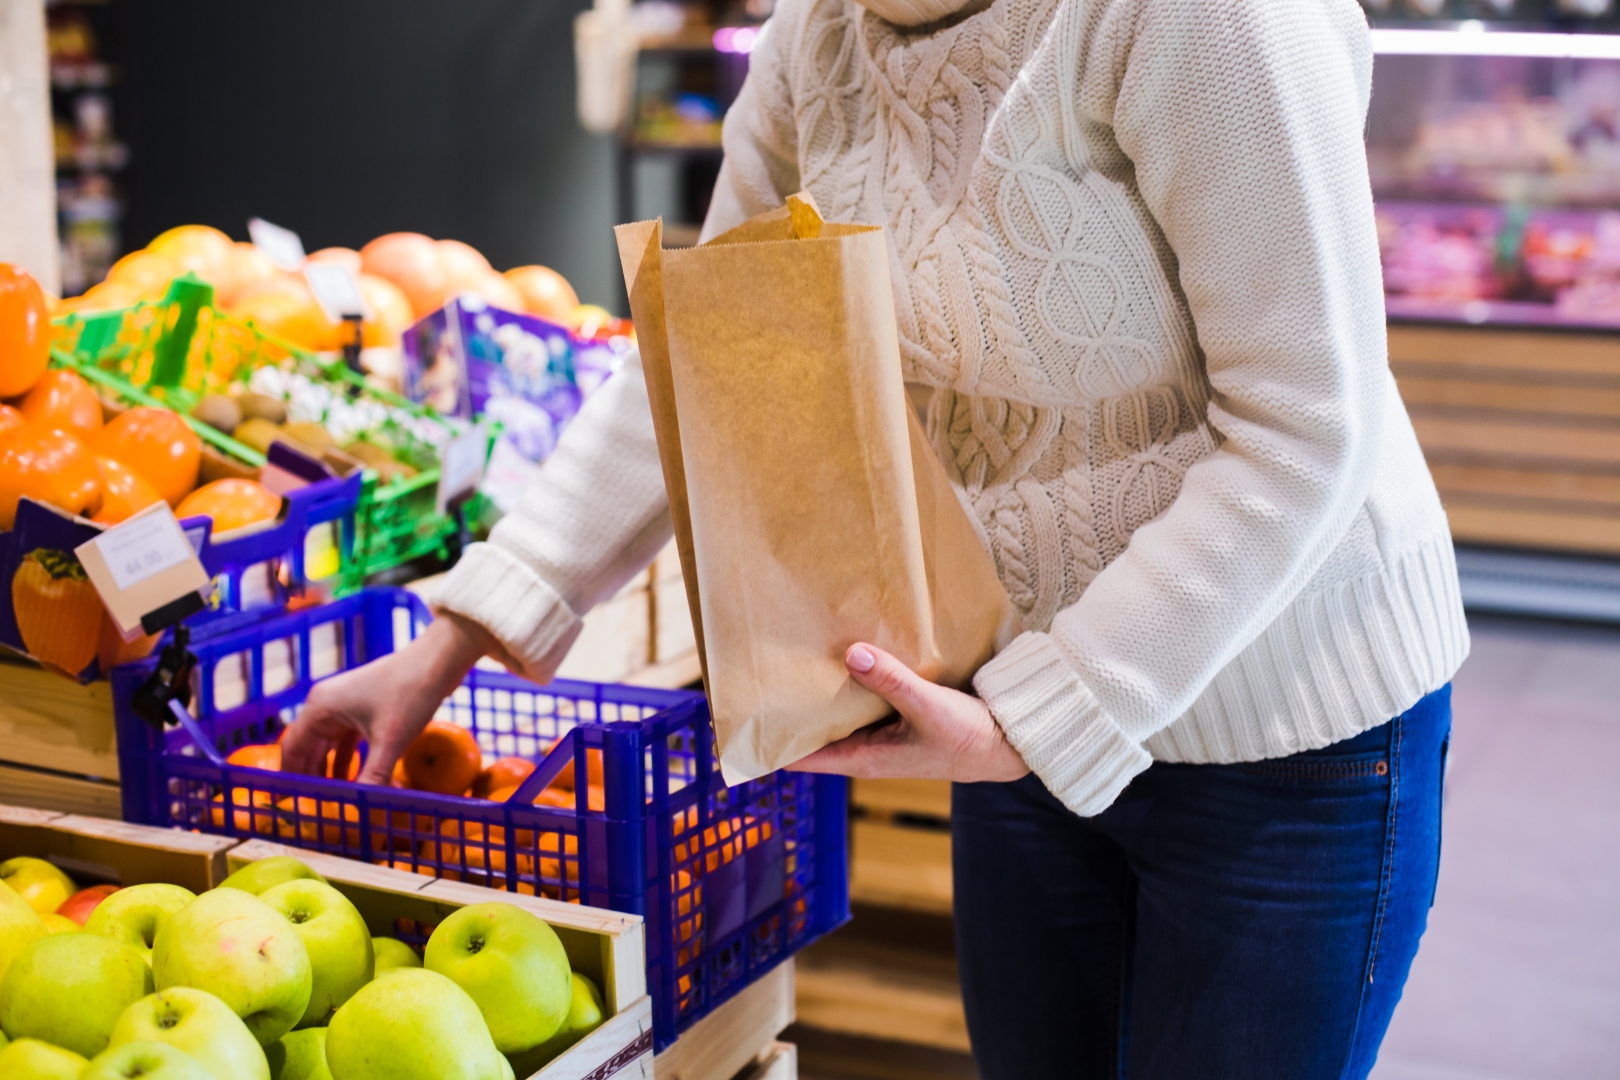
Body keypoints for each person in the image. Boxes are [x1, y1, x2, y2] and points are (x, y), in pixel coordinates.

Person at [283, 0, 1468, 1074]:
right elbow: (713, 354)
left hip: (1293, 733)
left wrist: (1044, 710)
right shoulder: (820, 33)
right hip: (1012, 706)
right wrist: (467, 626)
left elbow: (1305, 429)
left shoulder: (1203, 23)